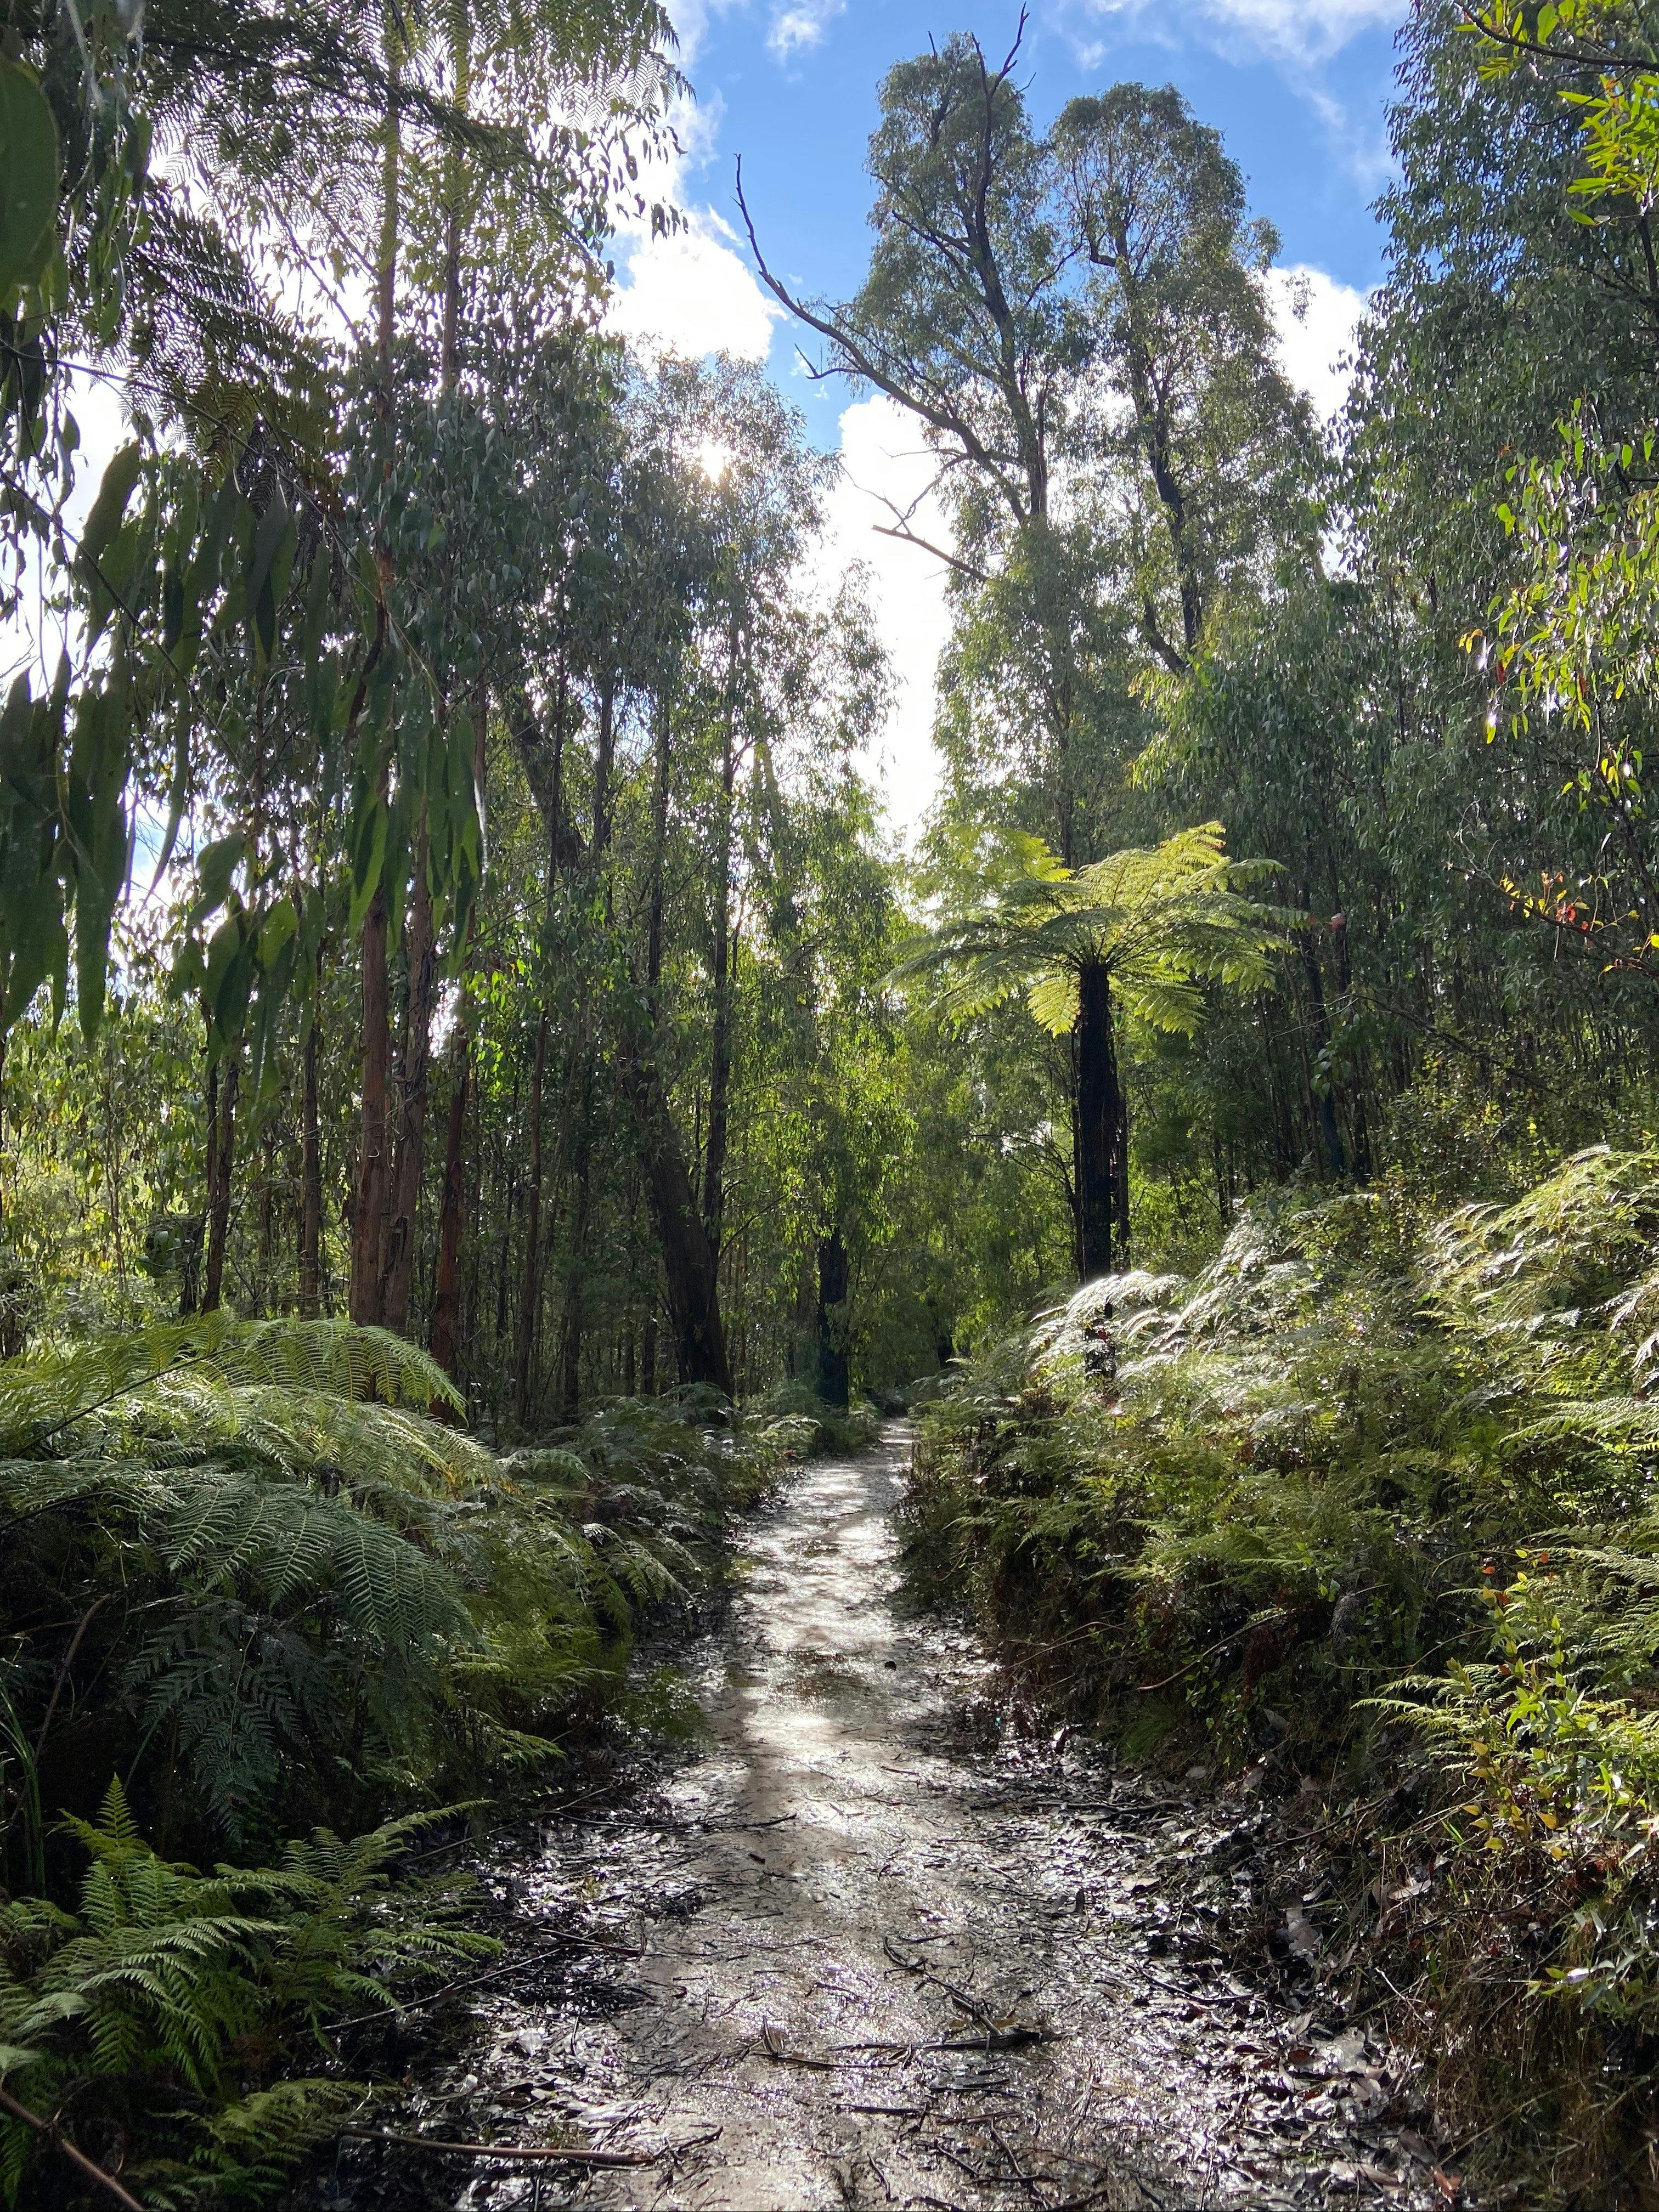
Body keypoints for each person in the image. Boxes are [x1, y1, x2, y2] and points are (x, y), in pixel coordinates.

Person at [1082, 1302, 1116, 1398]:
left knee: (1107, 1371)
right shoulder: (1091, 1326)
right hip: (1096, 1352)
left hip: (1104, 1352)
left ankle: (1106, 1392)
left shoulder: (1105, 1324)